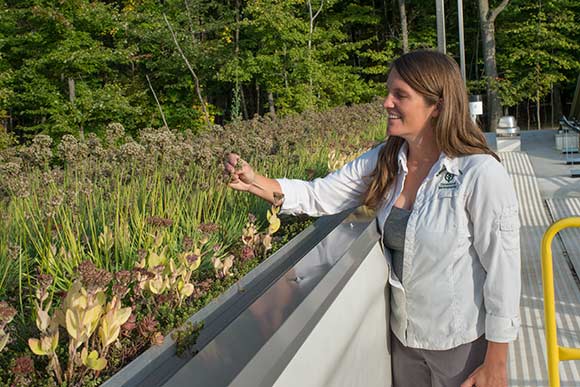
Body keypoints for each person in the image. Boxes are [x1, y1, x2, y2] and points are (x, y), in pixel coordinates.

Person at [224, 49, 520, 387]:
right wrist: (255, 181)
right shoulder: (387, 159)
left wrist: (496, 361)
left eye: (400, 95)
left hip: (461, 347)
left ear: (436, 105)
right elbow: (320, 195)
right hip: (404, 342)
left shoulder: (478, 172)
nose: (386, 102)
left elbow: (503, 269)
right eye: (388, 91)